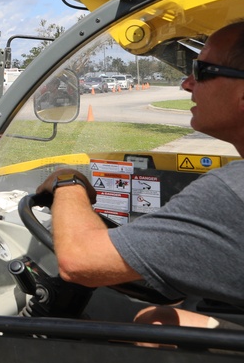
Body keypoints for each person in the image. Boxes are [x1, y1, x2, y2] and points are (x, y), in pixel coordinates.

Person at [36, 20, 244, 329]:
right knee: (159, 321)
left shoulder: (230, 192)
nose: (187, 84)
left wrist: (68, 181)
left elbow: (77, 260)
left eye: (201, 71)